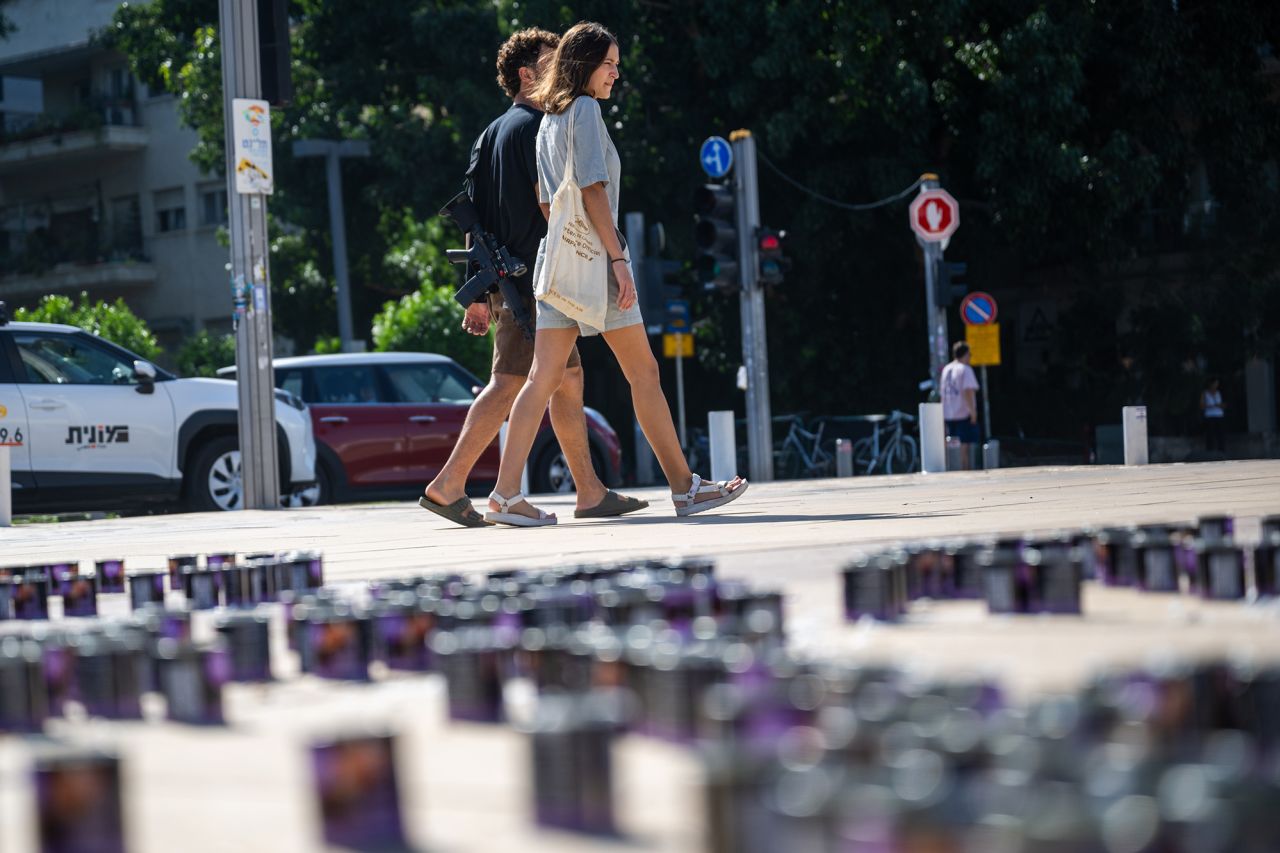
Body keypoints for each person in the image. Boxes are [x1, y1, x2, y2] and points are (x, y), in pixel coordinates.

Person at [484, 21, 748, 527]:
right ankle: (685, 488)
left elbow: (546, 201)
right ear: (585, 65)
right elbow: (593, 187)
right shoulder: (584, 110)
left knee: (541, 379)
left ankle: (504, 495)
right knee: (643, 372)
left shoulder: (548, 119)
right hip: (598, 267)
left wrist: (576, 248)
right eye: (610, 64)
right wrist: (617, 258)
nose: (615, 74)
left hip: (556, 266)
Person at [419, 27, 648, 528]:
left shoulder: (490, 133)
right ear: (527, 74)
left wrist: (477, 294)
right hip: (536, 279)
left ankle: (589, 491)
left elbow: (473, 218)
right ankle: (449, 485)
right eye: (552, 61)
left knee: (566, 381)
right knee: (511, 382)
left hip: (511, 278)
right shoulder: (540, 126)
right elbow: (559, 208)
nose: (563, 66)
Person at [941, 341, 981, 470]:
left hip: (948, 412)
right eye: (970, 354)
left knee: (951, 443)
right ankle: (964, 468)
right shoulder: (965, 369)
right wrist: (973, 412)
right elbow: (968, 391)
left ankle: (951, 468)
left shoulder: (946, 369)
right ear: (965, 354)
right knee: (964, 444)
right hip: (963, 412)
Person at [1201, 377, 1225, 453]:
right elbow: (1201, 405)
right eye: (1215, 383)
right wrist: (1211, 406)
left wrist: (1219, 405)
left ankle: (1221, 451)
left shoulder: (1219, 393)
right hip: (1210, 416)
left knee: (1220, 434)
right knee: (1210, 435)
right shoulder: (1205, 393)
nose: (1216, 385)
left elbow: (1224, 404)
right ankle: (1210, 451)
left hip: (1219, 415)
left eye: (1217, 384)